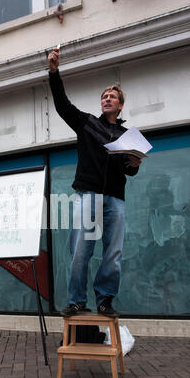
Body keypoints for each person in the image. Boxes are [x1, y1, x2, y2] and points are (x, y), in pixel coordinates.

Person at [48, 46, 142, 318]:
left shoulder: (128, 136)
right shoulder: (88, 123)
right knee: (80, 250)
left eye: (112, 96)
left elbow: (129, 171)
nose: (107, 99)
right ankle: (77, 301)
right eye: (104, 96)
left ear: (120, 105)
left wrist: (133, 164)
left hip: (116, 199)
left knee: (113, 254)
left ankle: (105, 301)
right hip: (88, 194)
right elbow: (62, 106)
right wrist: (54, 72)